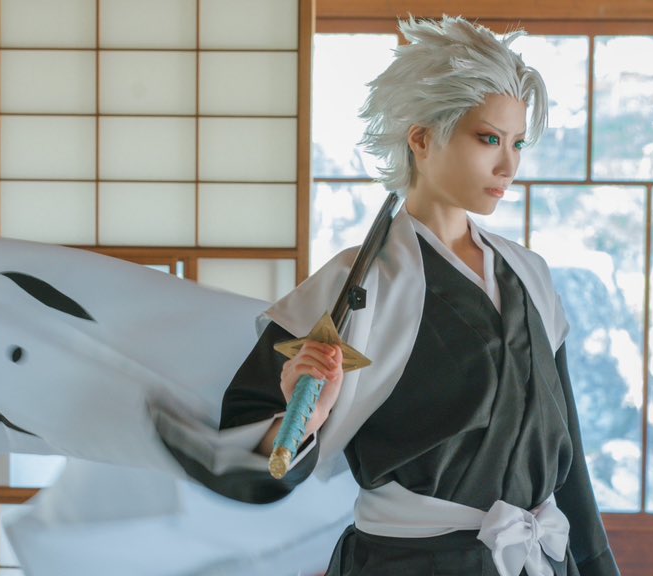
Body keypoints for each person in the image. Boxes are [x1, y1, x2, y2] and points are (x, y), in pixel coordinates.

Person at [214, 16, 621, 576]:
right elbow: (244, 448)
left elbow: (566, 451)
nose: (509, 165)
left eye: (518, 143)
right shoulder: (352, 284)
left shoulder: (530, 275)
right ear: (422, 138)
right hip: (406, 562)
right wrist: (303, 420)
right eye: (488, 139)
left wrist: (596, 565)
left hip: (538, 559)